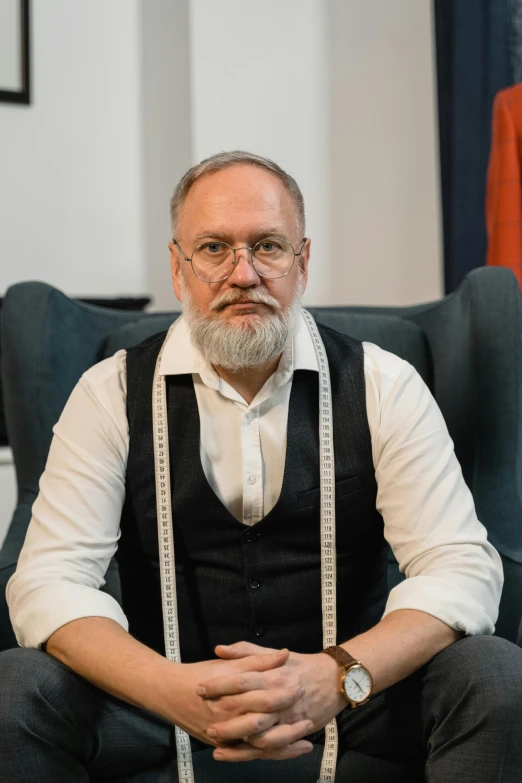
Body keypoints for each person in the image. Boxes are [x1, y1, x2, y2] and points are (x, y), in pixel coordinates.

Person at [1, 150, 521, 783]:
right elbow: (50, 583)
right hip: (156, 702)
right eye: (215, 249)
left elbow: (460, 568)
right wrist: (169, 689)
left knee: (495, 675)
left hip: (354, 697)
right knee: (15, 688)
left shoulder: (386, 385)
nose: (242, 274)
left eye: (268, 247)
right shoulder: (107, 393)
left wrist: (337, 675)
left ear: (302, 262)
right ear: (178, 267)